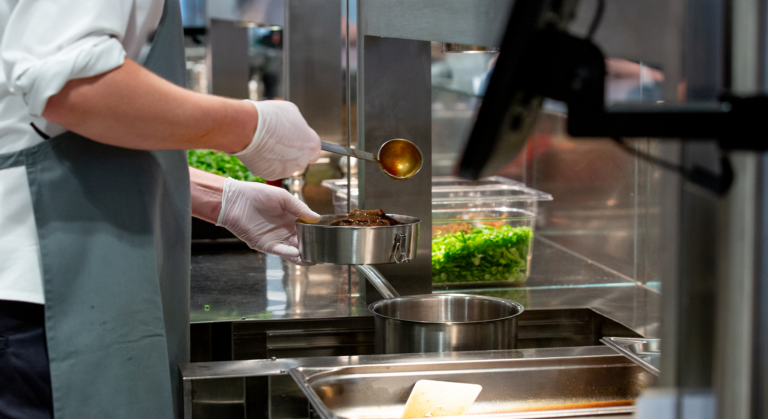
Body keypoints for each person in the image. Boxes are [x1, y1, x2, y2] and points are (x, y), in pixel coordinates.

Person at [0, 0, 321, 418]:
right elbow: (71, 84)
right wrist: (248, 127)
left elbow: (40, 130)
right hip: (43, 305)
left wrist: (218, 196)